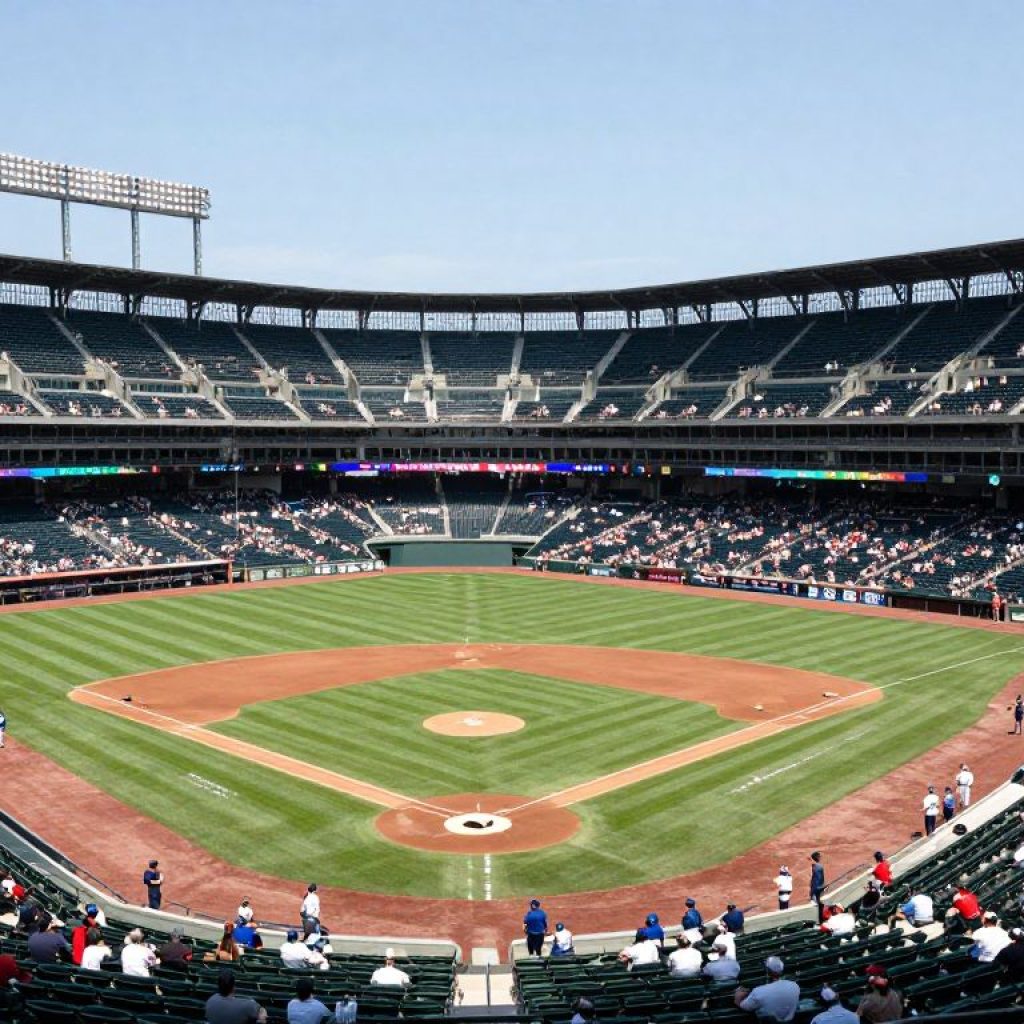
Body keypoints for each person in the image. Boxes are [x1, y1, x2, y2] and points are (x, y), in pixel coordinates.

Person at [735, 956, 800, 1022]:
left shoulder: (758, 992)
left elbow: (745, 1007)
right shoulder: (795, 986)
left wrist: (738, 997)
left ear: (767, 971)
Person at [810, 852, 826, 923]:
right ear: (818, 857)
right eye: (820, 856)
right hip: (818, 889)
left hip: (817, 888)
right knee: (820, 905)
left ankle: (819, 920)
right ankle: (820, 921)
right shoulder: (818, 867)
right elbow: (817, 879)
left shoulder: (815, 866)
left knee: (819, 905)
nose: (821, 857)